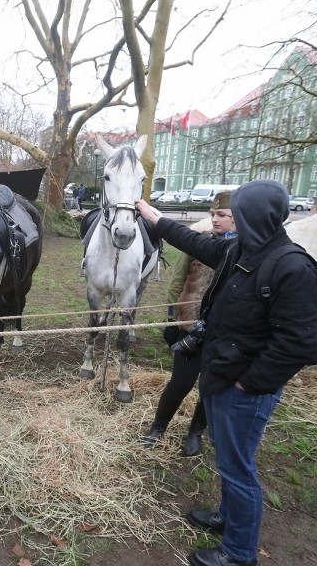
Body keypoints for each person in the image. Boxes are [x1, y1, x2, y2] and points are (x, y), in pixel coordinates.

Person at [135, 180, 317, 566]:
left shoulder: (291, 267)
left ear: (255, 215)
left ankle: (239, 554)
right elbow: (194, 241)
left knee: (239, 469)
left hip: (246, 389)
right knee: (228, 459)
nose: (228, 216)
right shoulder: (241, 249)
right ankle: (229, 518)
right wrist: (152, 216)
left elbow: (300, 343)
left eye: (237, 209)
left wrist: (248, 383)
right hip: (223, 375)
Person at [143, 191, 237, 457]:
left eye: (222, 215)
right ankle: (157, 428)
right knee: (179, 383)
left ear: (237, 217)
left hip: (221, 335)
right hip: (189, 326)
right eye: (212, 214)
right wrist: (172, 320)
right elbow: (176, 283)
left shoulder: (246, 252)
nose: (215, 220)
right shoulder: (199, 242)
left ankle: (195, 432)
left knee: (211, 388)